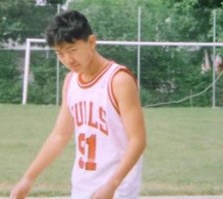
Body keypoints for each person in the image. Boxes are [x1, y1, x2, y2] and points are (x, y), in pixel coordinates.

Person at [10, 10, 146, 199]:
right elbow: (59, 135)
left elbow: (137, 140)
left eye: (72, 50)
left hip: (117, 190)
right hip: (82, 187)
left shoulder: (118, 80)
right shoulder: (70, 82)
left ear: (91, 42)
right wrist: (28, 178)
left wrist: (112, 186)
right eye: (60, 53)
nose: (68, 60)